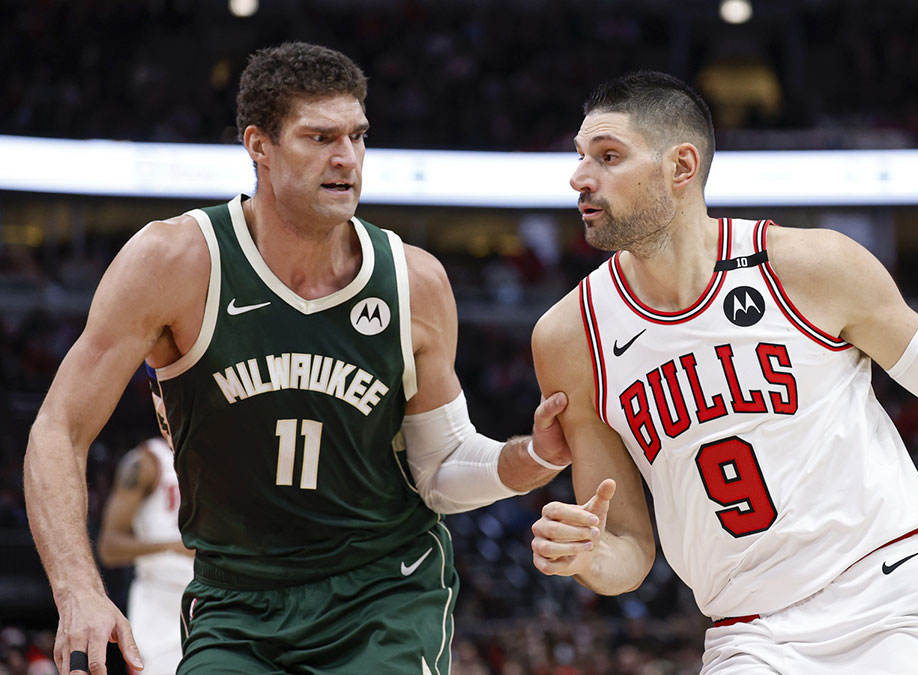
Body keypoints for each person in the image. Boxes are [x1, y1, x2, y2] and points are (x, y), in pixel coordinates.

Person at [528, 71, 918, 674]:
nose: (581, 177)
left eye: (607, 156)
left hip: (896, 598)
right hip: (750, 634)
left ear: (681, 166)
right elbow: (627, 548)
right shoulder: (568, 337)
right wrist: (588, 556)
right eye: (579, 157)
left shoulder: (811, 266)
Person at [24, 42, 570, 675]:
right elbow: (58, 430)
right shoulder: (175, 262)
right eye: (320, 138)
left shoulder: (413, 281)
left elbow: (440, 466)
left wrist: (532, 458)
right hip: (235, 597)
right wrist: (78, 589)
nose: (347, 159)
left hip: (382, 593)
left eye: (358, 137)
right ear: (259, 145)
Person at [96, 437, 192, 675]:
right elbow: (109, 547)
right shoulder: (147, 461)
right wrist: (172, 546)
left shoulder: (224, 456)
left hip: (215, 598)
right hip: (161, 602)